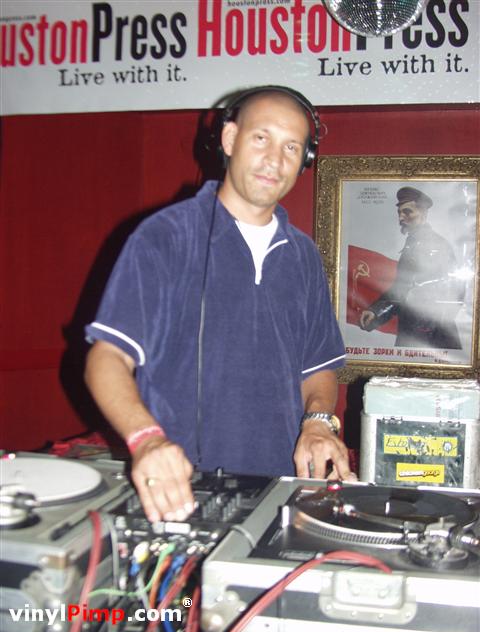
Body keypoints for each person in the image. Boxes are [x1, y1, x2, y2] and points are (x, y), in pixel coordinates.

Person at [84, 86, 355, 524]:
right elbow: (107, 357)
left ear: (305, 161)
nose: (275, 160)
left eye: (291, 147)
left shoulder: (303, 254)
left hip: (282, 492)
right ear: (229, 140)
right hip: (178, 492)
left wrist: (319, 422)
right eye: (261, 138)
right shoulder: (165, 236)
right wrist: (146, 439)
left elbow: (317, 367)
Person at [359, 186, 463, 349]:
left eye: (407, 212)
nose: (401, 217)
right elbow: (402, 290)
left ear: (423, 213)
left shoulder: (435, 245)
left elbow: (456, 290)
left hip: (431, 340)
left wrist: (430, 325)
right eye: (399, 213)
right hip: (416, 334)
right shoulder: (414, 244)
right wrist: (376, 312)